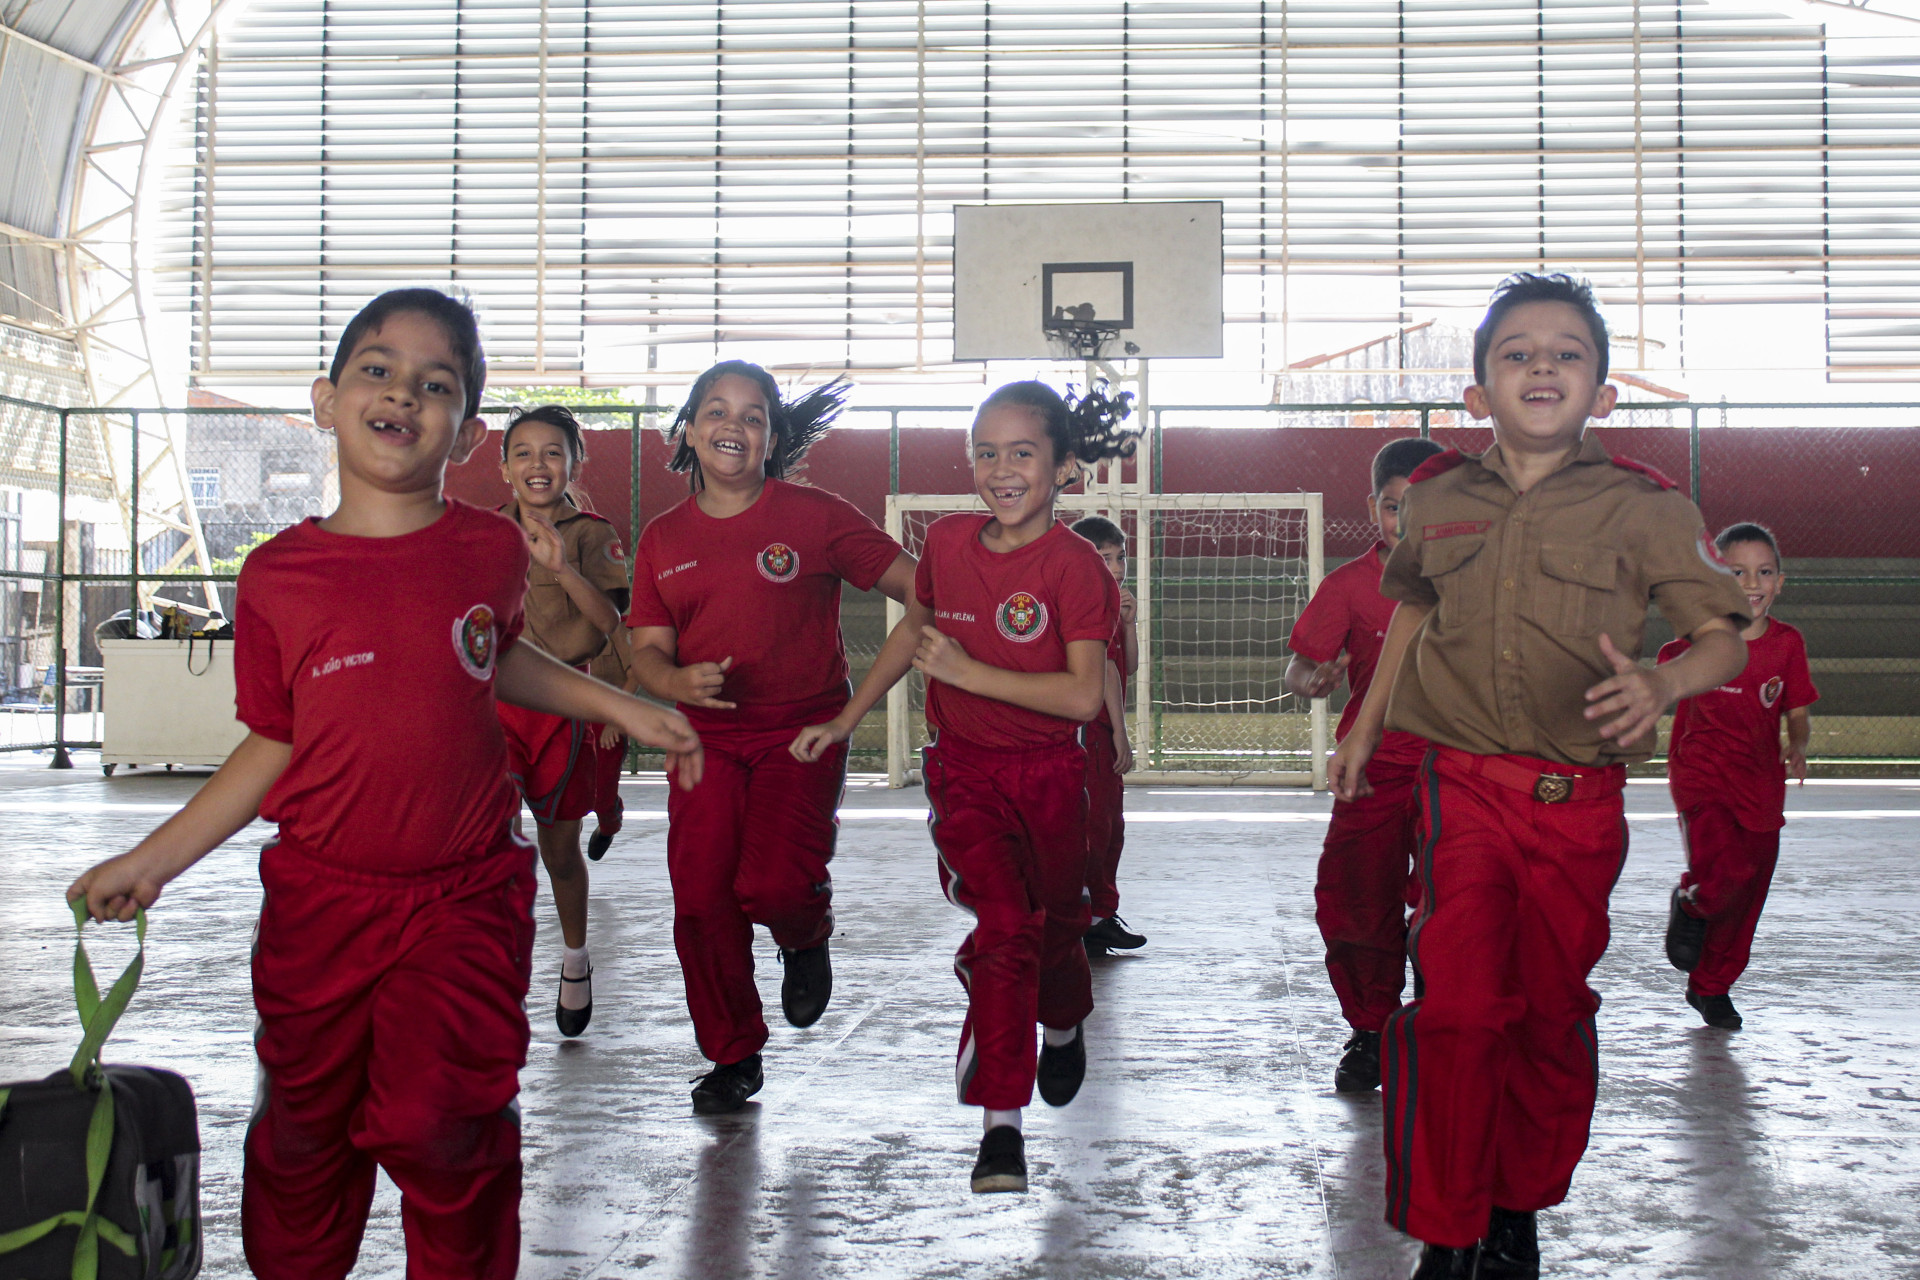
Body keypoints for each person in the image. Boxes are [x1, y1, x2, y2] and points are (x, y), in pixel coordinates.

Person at [67, 288, 701, 1280]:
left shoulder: (487, 548)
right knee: (305, 1136)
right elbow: (271, 743)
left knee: (445, 1122)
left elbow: (496, 656)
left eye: (434, 382)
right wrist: (153, 859)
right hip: (320, 907)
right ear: (324, 400)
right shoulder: (279, 576)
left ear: (467, 432)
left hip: (463, 898)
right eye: (377, 368)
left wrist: (618, 707)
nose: (402, 390)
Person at [1327, 272, 1751, 1280]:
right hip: (1461, 784)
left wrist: (1664, 678)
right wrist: (1364, 726)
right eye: (1516, 352)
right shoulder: (1436, 501)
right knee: (1459, 1004)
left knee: (1550, 1011)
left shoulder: (1644, 508)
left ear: (1604, 391)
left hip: (1578, 804)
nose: (1542, 366)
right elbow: (1415, 615)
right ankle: (1446, 1222)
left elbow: (1725, 637)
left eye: (1567, 352)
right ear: (1476, 393)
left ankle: (1518, 1202)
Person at [794, 380, 1135, 1196]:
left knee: (1055, 928)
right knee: (1008, 921)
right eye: (986, 451)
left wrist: (970, 669)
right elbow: (915, 630)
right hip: (968, 774)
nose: (1001, 469)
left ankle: (1062, 1021)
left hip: (1052, 778)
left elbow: (1084, 697)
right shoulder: (945, 543)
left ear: (1064, 469)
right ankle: (1001, 1129)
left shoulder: (1079, 569)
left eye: (1023, 453)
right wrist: (848, 718)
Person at [626, 360, 914, 1116]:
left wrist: (854, 714)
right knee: (701, 899)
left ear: (773, 437)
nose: (734, 425)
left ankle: (804, 931)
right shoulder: (663, 539)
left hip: (802, 733)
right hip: (706, 743)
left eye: (754, 415)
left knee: (773, 884)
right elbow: (645, 651)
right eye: (716, 411)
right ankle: (733, 1053)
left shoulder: (814, 516)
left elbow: (924, 590)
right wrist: (675, 683)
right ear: (687, 430)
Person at [1284, 435, 1443, 1093]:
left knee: (1455, 903)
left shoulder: (1481, 582)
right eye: (1390, 506)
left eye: (1421, 507)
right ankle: (1372, 1028)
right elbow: (1298, 667)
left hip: (1457, 771)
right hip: (1373, 769)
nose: (1404, 522)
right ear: (1371, 509)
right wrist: (1310, 679)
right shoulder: (1350, 585)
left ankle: (1443, 1023)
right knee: (1353, 898)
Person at [495, 403, 633, 1037]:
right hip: (494, 708)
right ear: (503, 468)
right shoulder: (482, 533)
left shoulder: (590, 534)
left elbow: (610, 623)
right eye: (523, 453)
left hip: (562, 711)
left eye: (552, 452)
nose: (537, 465)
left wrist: (561, 567)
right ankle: (483, 970)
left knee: (558, 849)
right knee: (480, 845)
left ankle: (574, 959)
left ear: (573, 463)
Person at [1660, 521, 1816, 1031]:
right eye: (1737, 572)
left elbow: (1796, 707)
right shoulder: (1693, 645)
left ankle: (1712, 988)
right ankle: (1693, 900)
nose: (1752, 583)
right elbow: (1663, 675)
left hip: (1760, 787)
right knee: (1723, 871)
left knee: (1749, 890)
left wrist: (1798, 744)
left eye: (1764, 572)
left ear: (1780, 581)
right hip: (1702, 780)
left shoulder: (1787, 645)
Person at [1068, 514, 1144, 957]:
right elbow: (1107, 673)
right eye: (1104, 558)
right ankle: (1087, 916)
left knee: (1110, 825)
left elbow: (1127, 664)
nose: (1116, 567)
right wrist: (1120, 732)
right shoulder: (1085, 602)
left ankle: (1098, 913)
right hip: (1087, 730)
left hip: (1102, 727)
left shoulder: (1114, 603)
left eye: (1120, 557)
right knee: (1094, 825)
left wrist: (1130, 624)